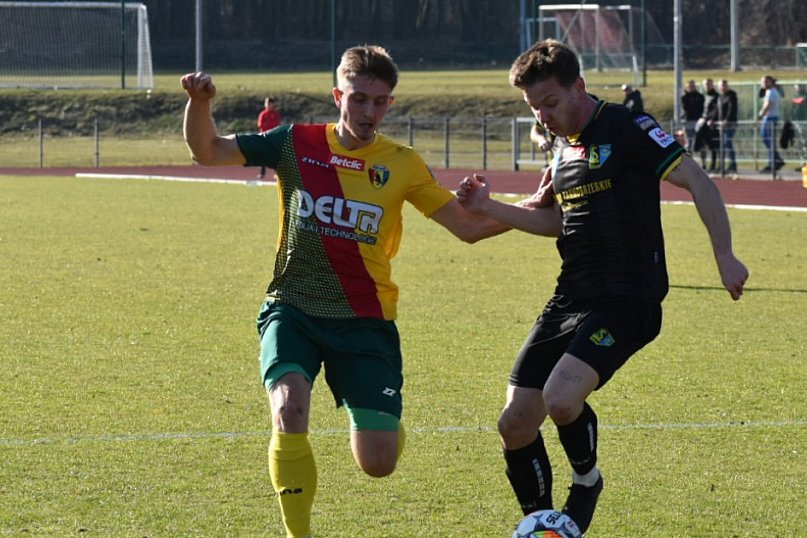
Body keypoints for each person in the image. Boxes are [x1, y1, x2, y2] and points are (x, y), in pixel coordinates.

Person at [180, 45, 498, 538]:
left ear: (390, 104)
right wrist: (199, 103)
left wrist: (540, 208)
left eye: (380, 101)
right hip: (293, 308)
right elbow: (207, 151)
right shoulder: (295, 142)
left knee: (378, 462)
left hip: (365, 319)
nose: (369, 111)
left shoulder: (403, 164)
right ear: (337, 96)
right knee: (289, 408)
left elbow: (468, 227)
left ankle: (372, 413)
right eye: (359, 99)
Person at [456, 39, 749, 535]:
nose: (543, 117)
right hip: (570, 297)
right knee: (514, 423)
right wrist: (487, 207)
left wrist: (725, 256)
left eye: (550, 103)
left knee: (560, 399)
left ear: (579, 87)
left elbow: (699, 181)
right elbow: (555, 222)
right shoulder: (561, 149)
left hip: (628, 299)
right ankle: (543, 524)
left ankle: (586, 481)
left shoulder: (628, 126)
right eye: (534, 108)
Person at [758, 75, 785, 173]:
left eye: (766, 82)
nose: (763, 84)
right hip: (770, 118)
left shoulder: (771, 92)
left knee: (768, 141)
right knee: (768, 141)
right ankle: (775, 160)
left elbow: (767, 105)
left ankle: (774, 162)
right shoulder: (770, 91)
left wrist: (760, 116)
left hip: (770, 118)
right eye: (762, 82)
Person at [695, 78, 720, 171]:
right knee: (702, 144)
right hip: (703, 124)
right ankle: (703, 164)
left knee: (713, 146)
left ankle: (714, 165)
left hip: (711, 125)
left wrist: (710, 119)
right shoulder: (703, 96)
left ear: (712, 85)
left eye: (708, 84)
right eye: (705, 84)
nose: (707, 86)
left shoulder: (716, 96)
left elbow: (716, 110)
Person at [257, 97, 281, 179]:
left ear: (273, 104)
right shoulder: (263, 114)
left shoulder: (275, 114)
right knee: (263, 155)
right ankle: (262, 173)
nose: (268, 105)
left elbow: (277, 124)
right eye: (267, 103)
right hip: (264, 137)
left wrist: (268, 125)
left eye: (270, 103)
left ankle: (276, 172)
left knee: (274, 155)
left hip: (273, 137)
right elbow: (260, 125)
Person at [717, 79, 738, 173]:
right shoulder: (720, 97)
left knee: (727, 142)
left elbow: (731, 108)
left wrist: (727, 120)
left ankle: (733, 164)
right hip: (721, 125)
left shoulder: (732, 96)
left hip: (730, 124)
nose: (723, 87)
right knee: (723, 144)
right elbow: (717, 110)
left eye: (724, 85)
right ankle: (722, 166)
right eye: (721, 85)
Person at [681, 80, 704, 154]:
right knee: (689, 140)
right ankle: (689, 158)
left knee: (699, 140)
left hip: (698, 121)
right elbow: (685, 108)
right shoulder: (684, 97)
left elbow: (701, 108)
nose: (691, 87)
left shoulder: (700, 96)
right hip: (688, 120)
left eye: (693, 86)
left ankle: (702, 159)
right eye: (689, 86)